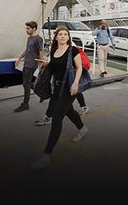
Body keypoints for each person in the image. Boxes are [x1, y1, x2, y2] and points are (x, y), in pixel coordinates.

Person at [31, 26, 88, 170]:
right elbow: (54, 67)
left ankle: (46, 155)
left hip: (69, 88)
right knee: (69, 112)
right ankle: (83, 129)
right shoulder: (54, 51)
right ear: (56, 37)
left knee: (57, 118)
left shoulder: (72, 50)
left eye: (65, 34)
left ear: (68, 37)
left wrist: (75, 83)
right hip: (56, 89)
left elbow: (79, 67)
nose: (62, 36)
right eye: (60, 34)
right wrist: (46, 63)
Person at [13, 21, 44, 112]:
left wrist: (40, 63)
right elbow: (27, 50)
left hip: (32, 64)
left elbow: (41, 51)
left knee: (26, 84)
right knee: (26, 83)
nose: (27, 30)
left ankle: (25, 104)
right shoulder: (30, 38)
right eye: (26, 28)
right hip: (26, 63)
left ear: (34, 29)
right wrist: (19, 58)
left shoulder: (38, 39)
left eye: (28, 28)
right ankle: (41, 93)